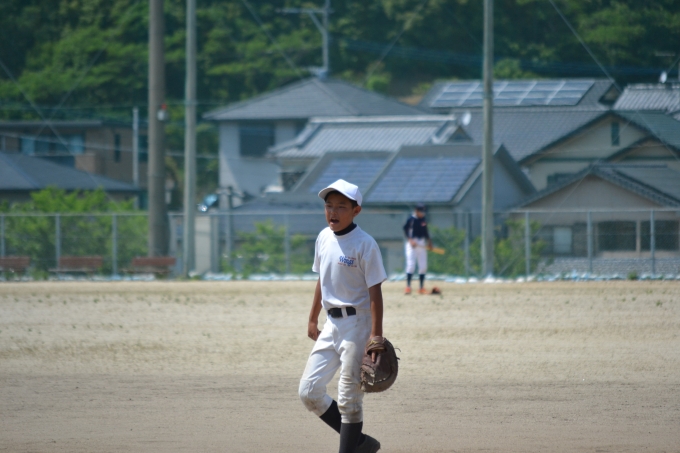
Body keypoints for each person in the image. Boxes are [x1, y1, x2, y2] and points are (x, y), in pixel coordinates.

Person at [299, 179, 386, 453]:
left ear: (356, 210)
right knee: (309, 391)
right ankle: (360, 443)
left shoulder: (365, 244)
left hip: (357, 324)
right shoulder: (323, 237)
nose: (333, 212)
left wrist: (376, 336)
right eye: (329, 206)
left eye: (341, 206)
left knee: (349, 398)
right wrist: (313, 318)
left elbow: (375, 293)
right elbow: (322, 280)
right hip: (331, 324)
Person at [403, 203, 432, 295]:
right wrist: (410, 240)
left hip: (421, 243)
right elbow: (405, 230)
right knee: (411, 265)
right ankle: (408, 287)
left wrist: (429, 241)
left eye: (424, 211)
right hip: (412, 244)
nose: (423, 213)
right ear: (416, 210)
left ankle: (421, 287)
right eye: (421, 211)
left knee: (423, 266)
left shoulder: (423, 219)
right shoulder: (411, 219)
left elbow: (426, 231)